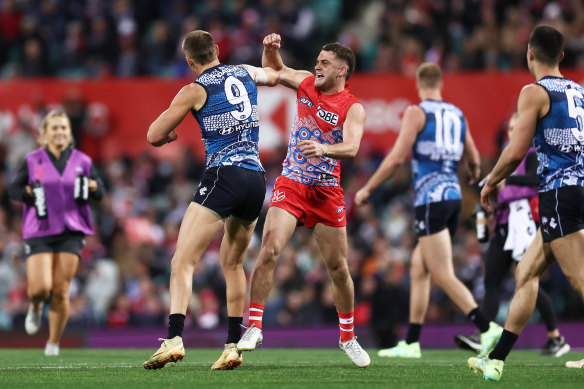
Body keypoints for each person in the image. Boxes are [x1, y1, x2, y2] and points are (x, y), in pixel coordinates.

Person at [141, 30, 279, 371]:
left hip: (223, 174)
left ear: (189, 61)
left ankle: (174, 338)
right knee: (233, 264)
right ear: (217, 50)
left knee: (182, 262)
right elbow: (274, 75)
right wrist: (270, 51)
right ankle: (232, 345)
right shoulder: (246, 71)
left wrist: (169, 136)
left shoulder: (194, 89)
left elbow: (154, 134)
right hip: (256, 179)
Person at [236, 33, 371, 368]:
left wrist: (324, 148)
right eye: (317, 61)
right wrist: (269, 50)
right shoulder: (307, 84)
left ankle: (347, 337)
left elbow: (352, 147)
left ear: (342, 70)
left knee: (339, 269)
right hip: (292, 183)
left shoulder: (353, 108)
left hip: (327, 192)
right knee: (268, 249)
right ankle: (253, 325)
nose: (317, 66)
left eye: (324, 62)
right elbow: (277, 71)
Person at [354, 62, 502, 359]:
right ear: (440, 84)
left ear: (419, 84)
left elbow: (397, 158)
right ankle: (411, 342)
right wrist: (473, 172)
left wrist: (368, 188)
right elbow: (473, 157)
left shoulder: (416, 112)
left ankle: (487, 329)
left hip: (429, 200)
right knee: (419, 267)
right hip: (453, 197)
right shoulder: (457, 114)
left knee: (442, 273)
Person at [469, 25, 584, 381]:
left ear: (530, 53)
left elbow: (517, 150)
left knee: (579, 277)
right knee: (526, 272)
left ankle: (497, 358)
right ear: (561, 56)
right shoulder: (579, 91)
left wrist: (492, 180)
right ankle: (497, 359)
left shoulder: (533, 92)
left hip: (558, 193)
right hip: (573, 189)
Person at [455, 113, 570, 357]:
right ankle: (485, 332)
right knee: (492, 279)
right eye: (510, 128)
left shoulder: (531, 153)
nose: (512, 132)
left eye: (517, 128)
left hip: (523, 221)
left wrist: (505, 177)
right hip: (505, 221)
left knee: (527, 280)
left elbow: (533, 179)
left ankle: (555, 337)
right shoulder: (508, 155)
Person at [8, 110, 104, 356]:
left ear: (69, 133)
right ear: (45, 133)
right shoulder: (33, 161)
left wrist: (94, 187)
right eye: (55, 128)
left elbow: (99, 191)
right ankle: (36, 305)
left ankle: (53, 342)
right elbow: (14, 190)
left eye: (64, 128)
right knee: (41, 287)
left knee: (61, 289)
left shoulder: (82, 161)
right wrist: (29, 192)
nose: (60, 132)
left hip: (71, 230)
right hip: (39, 229)